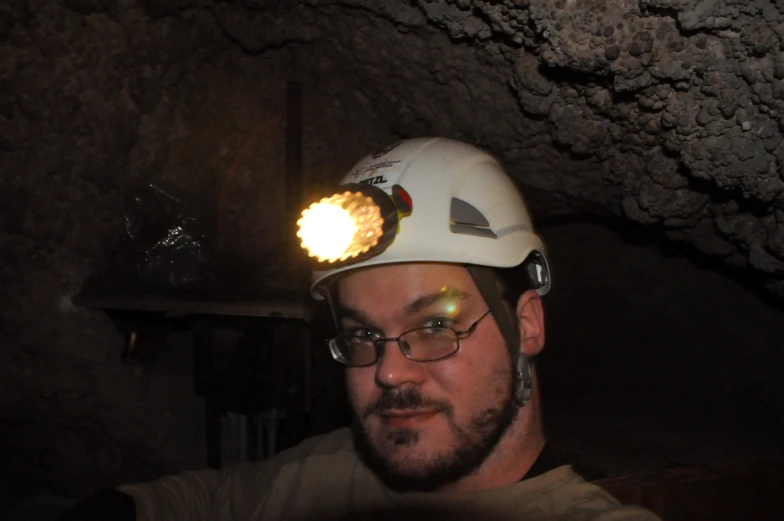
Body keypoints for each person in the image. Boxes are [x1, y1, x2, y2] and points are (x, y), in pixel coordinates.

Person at [60, 137, 661, 521]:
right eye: (362, 335)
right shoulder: (328, 472)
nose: (388, 371)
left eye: (433, 325)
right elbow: (206, 500)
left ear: (525, 325)